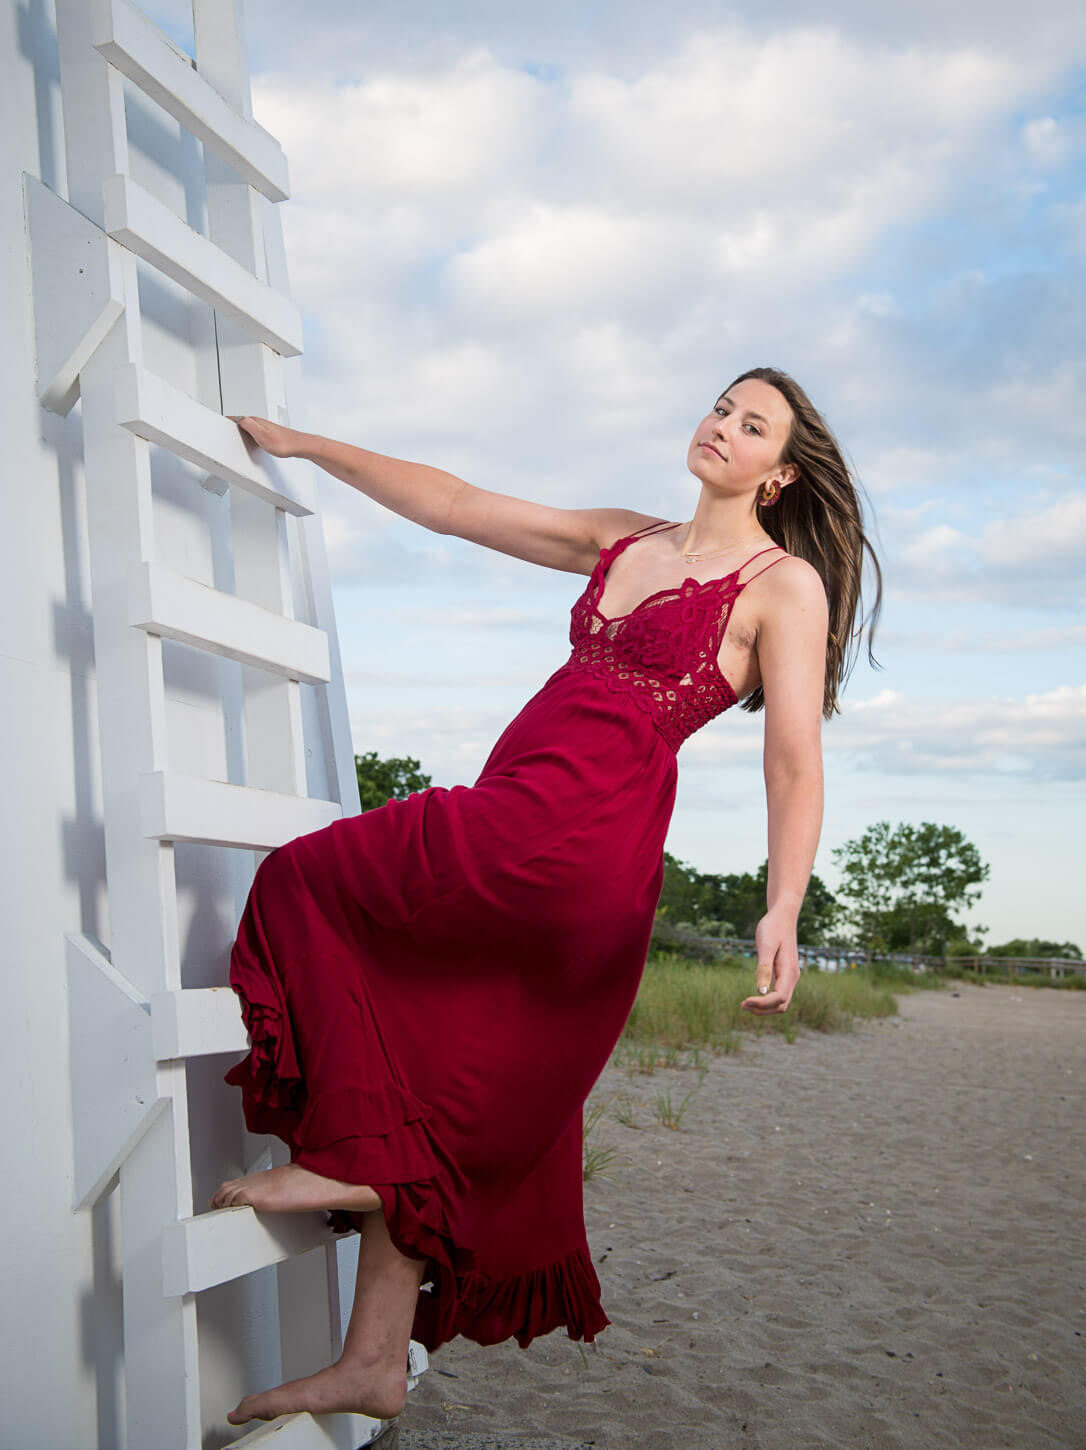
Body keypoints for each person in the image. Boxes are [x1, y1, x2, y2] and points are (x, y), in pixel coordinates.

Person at [211, 367, 881, 1427]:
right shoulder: (625, 538)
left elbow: (793, 761)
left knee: (305, 877)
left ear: (777, 473)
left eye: (751, 426)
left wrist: (781, 905)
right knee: (436, 1054)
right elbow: (457, 506)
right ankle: (371, 1361)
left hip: (572, 836)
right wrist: (306, 445)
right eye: (719, 406)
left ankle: (346, 1163)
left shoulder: (781, 583)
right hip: (525, 812)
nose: (721, 427)